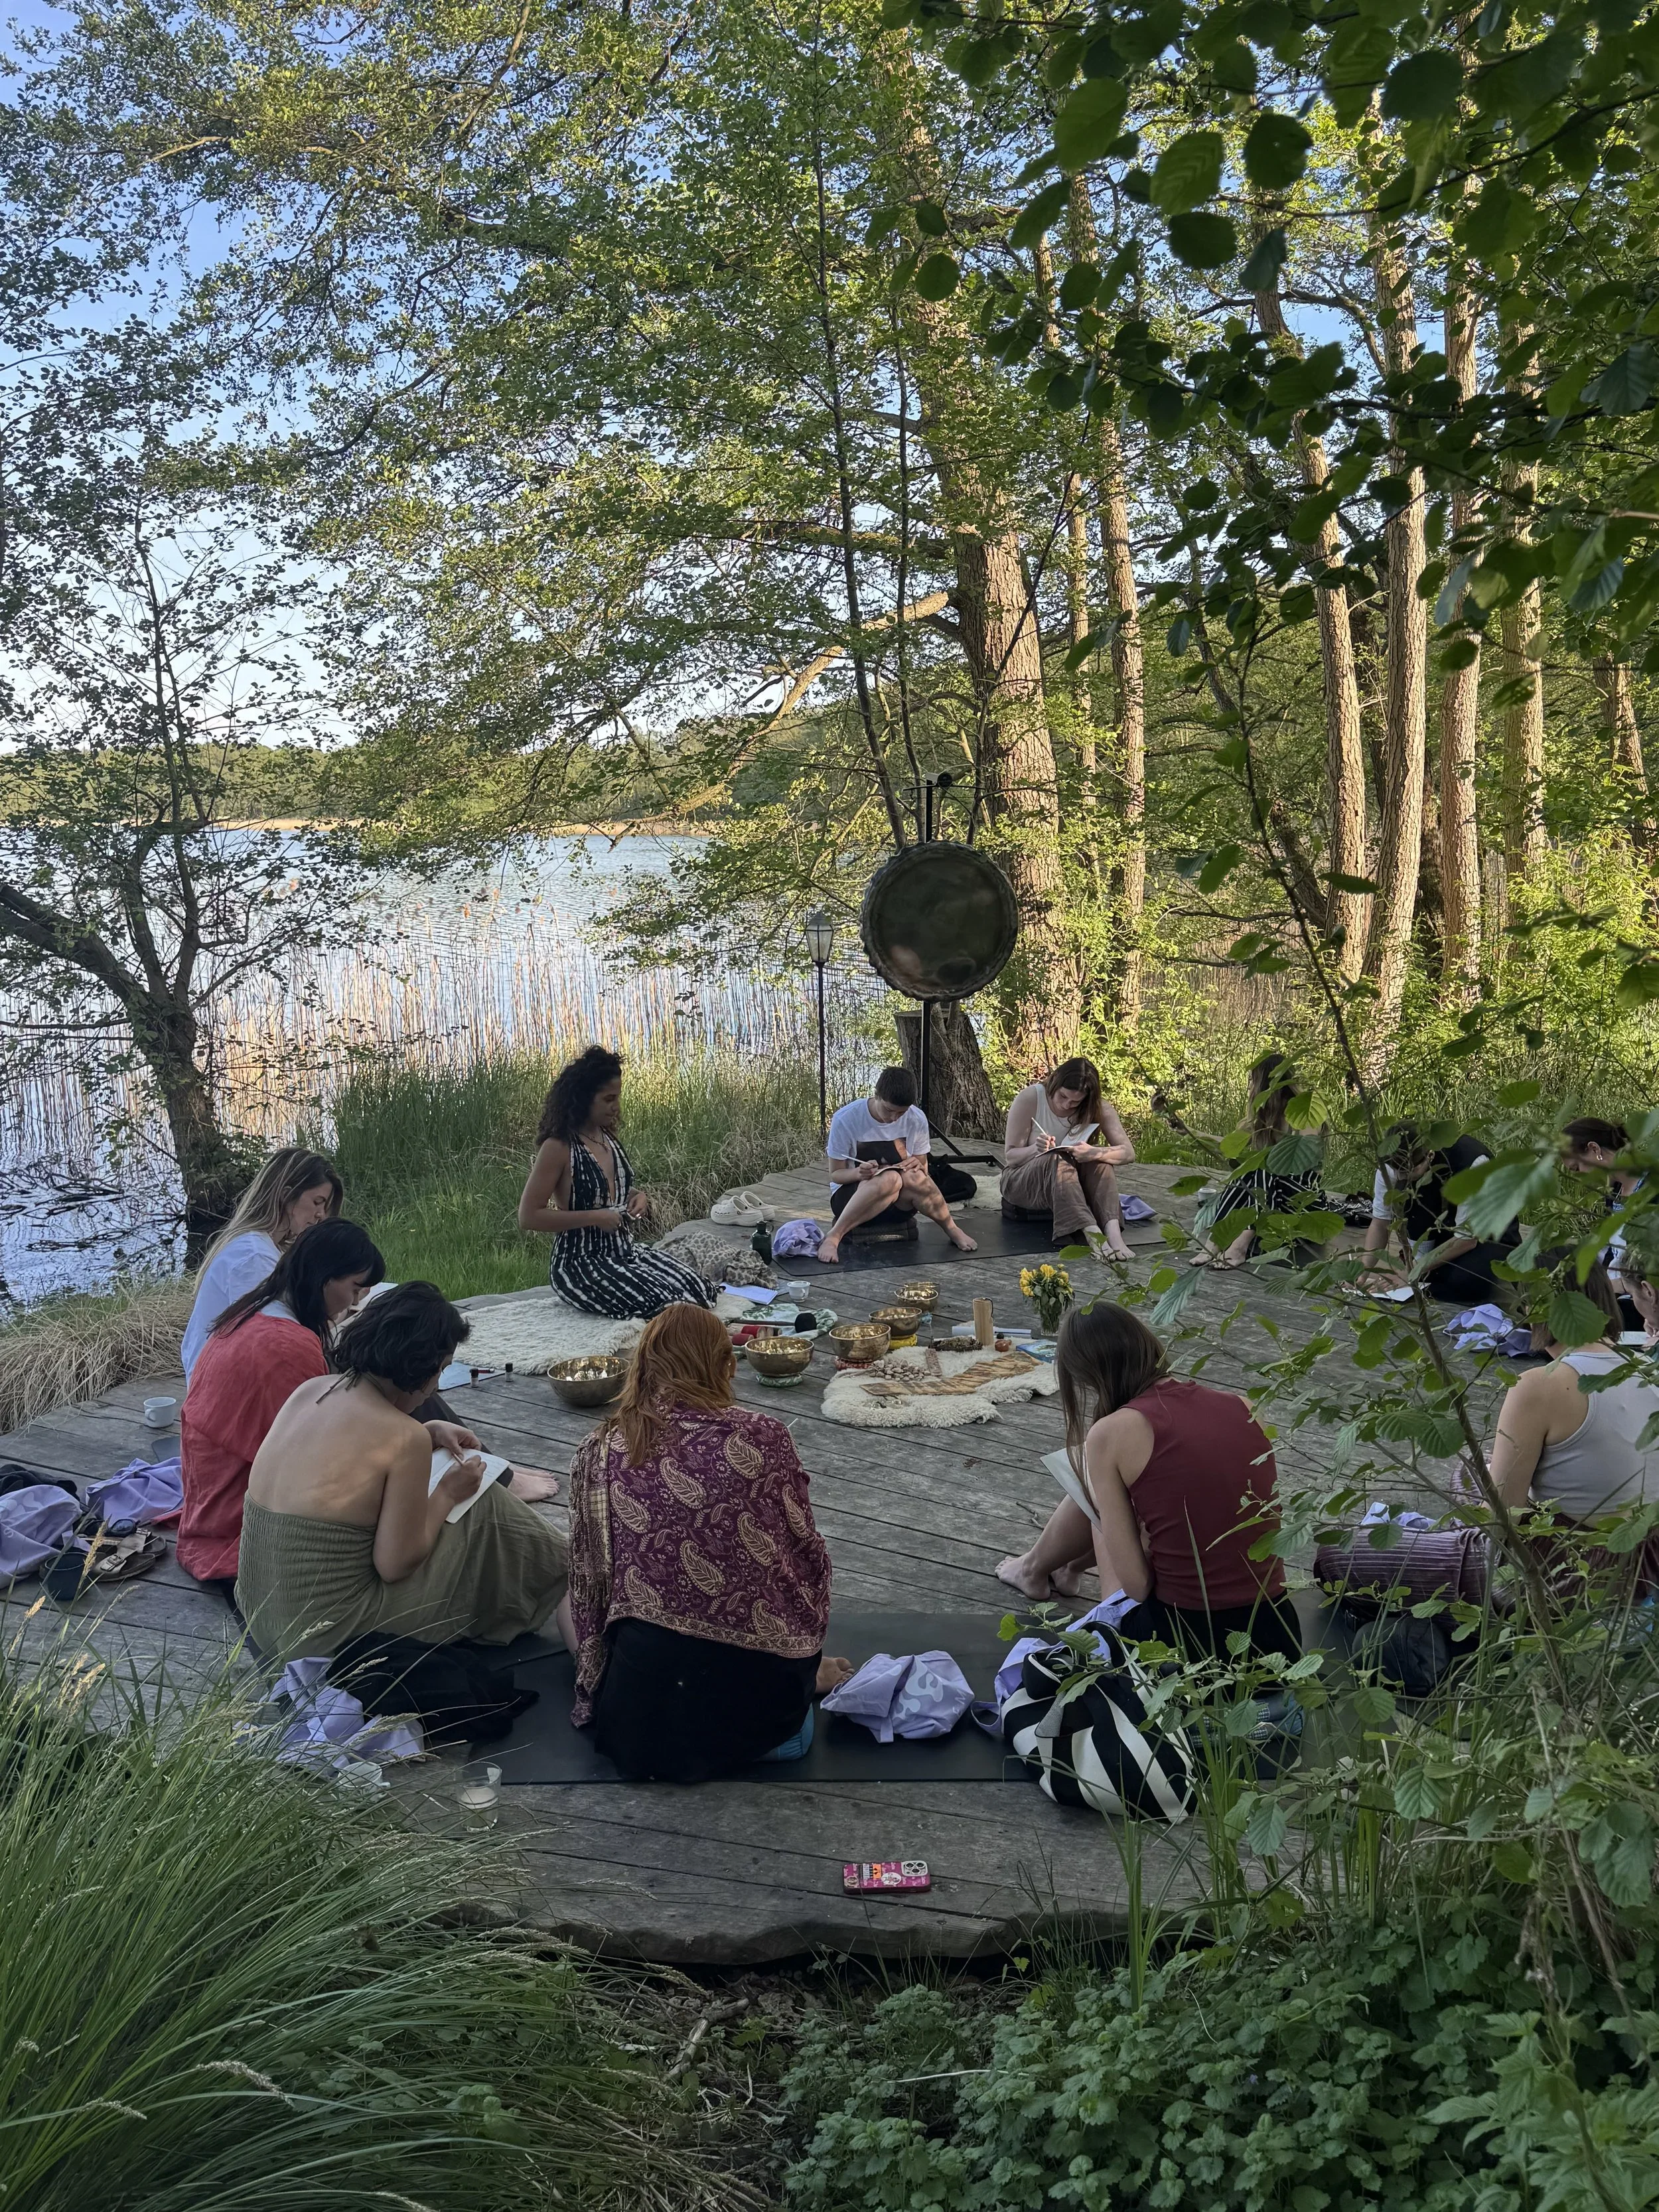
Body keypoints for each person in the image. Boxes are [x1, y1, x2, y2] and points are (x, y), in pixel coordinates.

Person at [565, 1304, 853, 1781]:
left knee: (573, 1581)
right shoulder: (764, 1437)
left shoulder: (598, 1450)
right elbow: (804, 1557)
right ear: (727, 1364)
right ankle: (808, 1677)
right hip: (768, 1731)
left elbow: (591, 1586)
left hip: (640, 1734)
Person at [237, 1283, 569, 1658]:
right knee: (482, 1501)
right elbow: (395, 1565)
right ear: (419, 1366)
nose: (438, 1384)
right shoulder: (400, 1437)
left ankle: (565, 1568)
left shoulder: (312, 1390)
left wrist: (427, 1434)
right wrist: (448, 1493)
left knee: (461, 1496)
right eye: (441, 1369)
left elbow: (342, 1466)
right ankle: (572, 1574)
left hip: (263, 1618)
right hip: (329, 1637)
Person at [996, 1301, 1301, 1664]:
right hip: (1276, 1633)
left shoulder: (1110, 1433)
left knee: (1100, 1490)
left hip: (1186, 1643)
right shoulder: (1247, 1405)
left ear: (1086, 1377)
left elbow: (1138, 1587)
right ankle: (1055, 1567)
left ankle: (1038, 1568)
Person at [179, 1218, 384, 1596]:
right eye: (355, 1289)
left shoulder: (251, 1310)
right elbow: (314, 1464)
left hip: (210, 1505)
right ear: (325, 1278)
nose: (355, 1302)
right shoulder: (287, 1346)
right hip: (238, 1525)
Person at [518, 1045, 713, 1317]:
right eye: (609, 1099)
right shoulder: (559, 1147)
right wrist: (594, 1217)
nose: (616, 1107)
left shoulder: (605, 1137)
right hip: (580, 1262)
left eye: (617, 1098)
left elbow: (608, 1190)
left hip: (623, 1251)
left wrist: (638, 1196)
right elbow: (529, 1216)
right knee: (661, 1304)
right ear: (585, 1098)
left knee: (696, 1288)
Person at [1488, 1252, 1659, 1523]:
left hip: (1580, 1556)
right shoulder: (1648, 1366)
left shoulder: (1538, 1386)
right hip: (1649, 1552)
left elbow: (1502, 1520)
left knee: (1467, 1482)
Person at [180, 1147, 342, 1380]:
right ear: (287, 1196)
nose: (321, 1215)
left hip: (224, 1377)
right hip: (219, 1387)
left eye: (325, 1208)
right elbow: (277, 1339)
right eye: (317, 1203)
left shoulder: (265, 1247)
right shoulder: (254, 1257)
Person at [817, 1065, 977, 1266]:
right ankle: (834, 1236)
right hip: (853, 1200)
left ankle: (952, 1228)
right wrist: (859, 1173)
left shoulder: (917, 1118)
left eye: (901, 1113)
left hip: (899, 1203)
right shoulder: (847, 1118)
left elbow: (924, 1170)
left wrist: (916, 1165)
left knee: (914, 1177)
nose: (894, 1118)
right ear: (877, 1095)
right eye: (889, 1110)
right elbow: (836, 1174)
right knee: (890, 1179)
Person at [1360, 1123, 1520, 1303]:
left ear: (1429, 1155)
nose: (1400, 1177)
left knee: (1467, 1282)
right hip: (1437, 1230)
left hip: (1487, 1233)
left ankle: (1422, 1273)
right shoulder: (1391, 1163)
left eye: (1408, 1171)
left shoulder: (1470, 1162)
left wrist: (1413, 1271)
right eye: (1395, 1171)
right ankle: (1421, 1269)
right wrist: (1363, 1270)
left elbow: (1467, 1239)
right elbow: (1381, 1223)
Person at [1190, 1051, 1321, 1270]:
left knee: (1261, 1166)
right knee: (1251, 1168)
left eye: (1253, 1081)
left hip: (1305, 1202)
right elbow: (1233, 1145)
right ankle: (1216, 1242)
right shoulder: (1263, 1115)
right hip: (1271, 1196)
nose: (1251, 1088)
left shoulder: (1303, 1109)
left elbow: (1305, 1160)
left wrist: (1274, 1153)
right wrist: (1192, 1133)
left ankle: (1238, 1243)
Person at [1001, 1057, 1136, 1260]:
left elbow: (1128, 1153)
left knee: (1100, 1159)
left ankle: (1114, 1234)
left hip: (1072, 1184)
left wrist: (1093, 1152)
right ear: (1055, 1082)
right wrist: (1035, 1150)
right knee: (1056, 1159)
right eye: (1062, 1096)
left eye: (1075, 1102)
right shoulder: (1031, 1098)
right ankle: (1092, 1233)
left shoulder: (1098, 1108)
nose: (1067, 1105)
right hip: (1023, 1181)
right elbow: (1011, 1157)